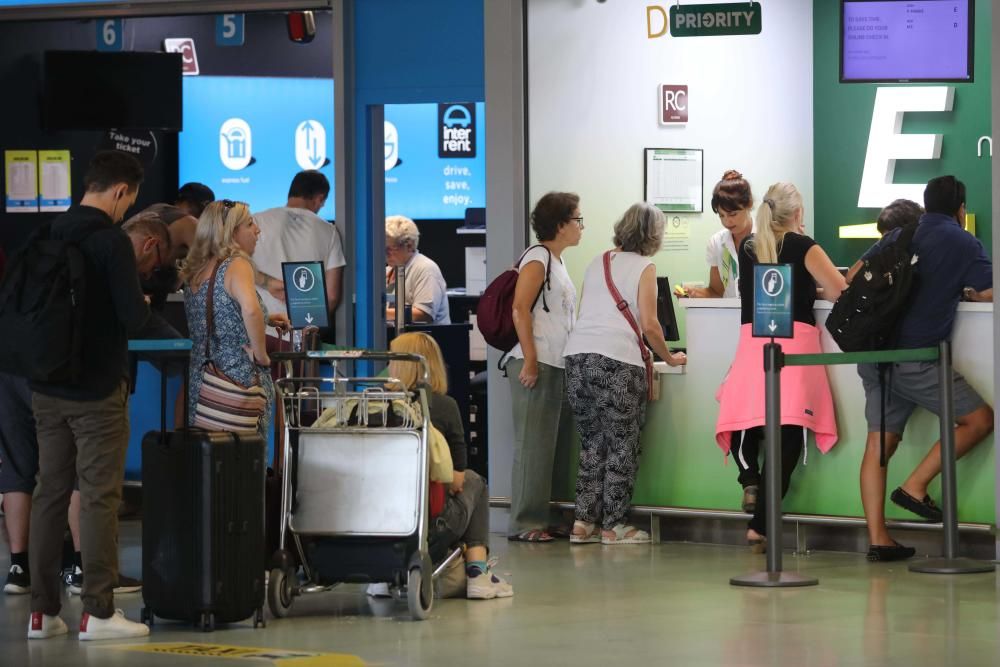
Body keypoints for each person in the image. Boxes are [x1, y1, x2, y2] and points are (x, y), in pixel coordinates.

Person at [27, 151, 152, 640]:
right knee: (99, 497)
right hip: (97, 389)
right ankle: (98, 613)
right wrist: (142, 299)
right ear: (121, 191)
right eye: (129, 201)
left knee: (49, 493)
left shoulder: (50, 232)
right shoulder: (110, 241)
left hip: (46, 386)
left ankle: (42, 613)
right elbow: (133, 319)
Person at [854, 176, 993, 562]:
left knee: (879, 445)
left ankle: (879, 539)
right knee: (979, 420)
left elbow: (852, 277)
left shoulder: (901, 234)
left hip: (874, 354)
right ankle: (915, 485)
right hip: (916, 358)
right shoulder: (964, 242)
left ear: (925, 204)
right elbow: (990, 291)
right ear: (961, 209)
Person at [714, 182, 846, 552]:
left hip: (754, 347)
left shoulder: (749, 247)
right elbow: (839, 290)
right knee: (788, 434)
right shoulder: (806, 246)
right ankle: (761, 524)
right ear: (798, 213)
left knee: (763, 425)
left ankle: (758, 509)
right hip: (794, 347)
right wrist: (813, 289)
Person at [562, 202, 686, 545]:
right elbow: (650, 324)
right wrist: (670, 358)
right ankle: (614, 526)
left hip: (577, 360)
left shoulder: (596, 262)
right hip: (616, 363)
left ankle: (583, 523)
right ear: (654, 234)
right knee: (621, 445)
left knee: (591, 443)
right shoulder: (645, 267)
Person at [383, 332, 513, 599]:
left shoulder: (377, 406)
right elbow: (456, 479)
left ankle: (384, 578)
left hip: (382, 522)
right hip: (430, 523)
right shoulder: (443, 407)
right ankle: (477, 571)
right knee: (475, 481)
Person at [505, 192, 583, 543]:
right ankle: (524, 522)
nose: (581, 226)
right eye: (577, 219)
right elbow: (520, 309)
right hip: (536, 361)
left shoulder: (558, 261)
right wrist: (532, 360)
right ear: (561, 224)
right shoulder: (538, 258)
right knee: (532, 444)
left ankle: (543, 515)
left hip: (557, 361)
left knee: (550, 446)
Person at [179, 200, 290, 439]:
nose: (257, 230)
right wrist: (261, 356)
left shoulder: (195, 270)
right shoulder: (237, 264)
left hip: (202, 380)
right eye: (250, 224)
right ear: (231, 233)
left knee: (209, 458)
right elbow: (250, 310)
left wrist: (267, 318)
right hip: (238, 380)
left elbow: (221, 311)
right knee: (243, 459)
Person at [252, 170, 346, 339]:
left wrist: (268, 283)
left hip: (258, 330)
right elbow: (331, 296)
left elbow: (230, 264)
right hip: (300, 337)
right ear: (319, 198)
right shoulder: (329, 231)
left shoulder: (256, 221)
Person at [676, 170, 754, 299]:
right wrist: (693, 293)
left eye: (733, 214)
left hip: (762, 318)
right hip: (727, 317)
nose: (727, 221)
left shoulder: (769, 239)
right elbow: (716, 292)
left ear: (749, 204)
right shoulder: (717, 243)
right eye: (721, 215)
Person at [385, 215, 450, 325]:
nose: (385, 254)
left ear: (409, 246)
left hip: (425, 340)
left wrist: (381, 313)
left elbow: (423, 314)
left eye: (389, 249)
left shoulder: (426, 269)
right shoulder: (388, 270)